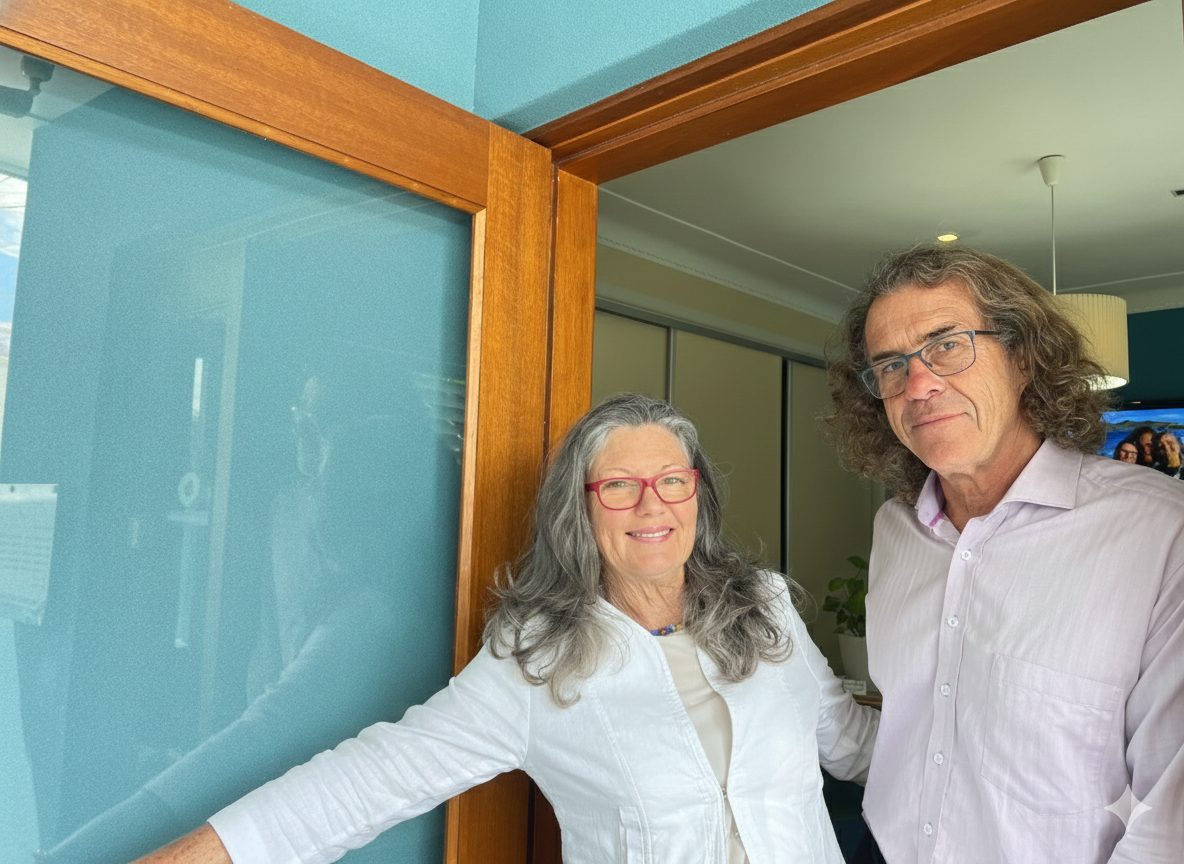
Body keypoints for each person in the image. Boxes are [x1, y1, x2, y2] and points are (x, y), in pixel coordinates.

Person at [135, 393, 879, 864]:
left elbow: (850, 746)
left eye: (672, 481)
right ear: (580, 511)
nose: (653, 506)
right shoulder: (540, 661)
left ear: (698, 495)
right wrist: (204, 854)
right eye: (619, 486)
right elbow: (370, 781)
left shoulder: (767, 606)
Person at [825, 244, 1184, 863]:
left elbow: (1172, 805)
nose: (918, 383)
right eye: (890, 365)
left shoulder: (1157, 530)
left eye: (947, 344)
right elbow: (915, 730)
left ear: (1023, 358)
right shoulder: (895, 530)